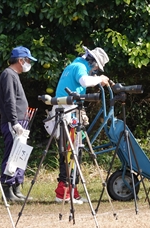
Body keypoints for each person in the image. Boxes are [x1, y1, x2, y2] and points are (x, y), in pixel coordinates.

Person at [53, 46, 110, 204]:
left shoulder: (73, 66)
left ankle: (72, 190)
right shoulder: (79, 67)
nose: (96, 70)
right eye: (97, 67)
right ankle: (63, 192)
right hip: (68, 113)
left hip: (70, 111)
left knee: (75, 152)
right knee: (70, 152)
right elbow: (85, 81)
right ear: (93, 62)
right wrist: (100, 79)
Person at [0, 46, 37, 202]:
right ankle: (7, 191)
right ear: (21, 60)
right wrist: (14, 122)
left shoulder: (14, 75)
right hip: (13, 122)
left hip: (22, 120)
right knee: (11, 155)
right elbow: (9, 100)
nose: (28, 64)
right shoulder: (8, 75)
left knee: (21, 155)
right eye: (27, 60)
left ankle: (17, 187)